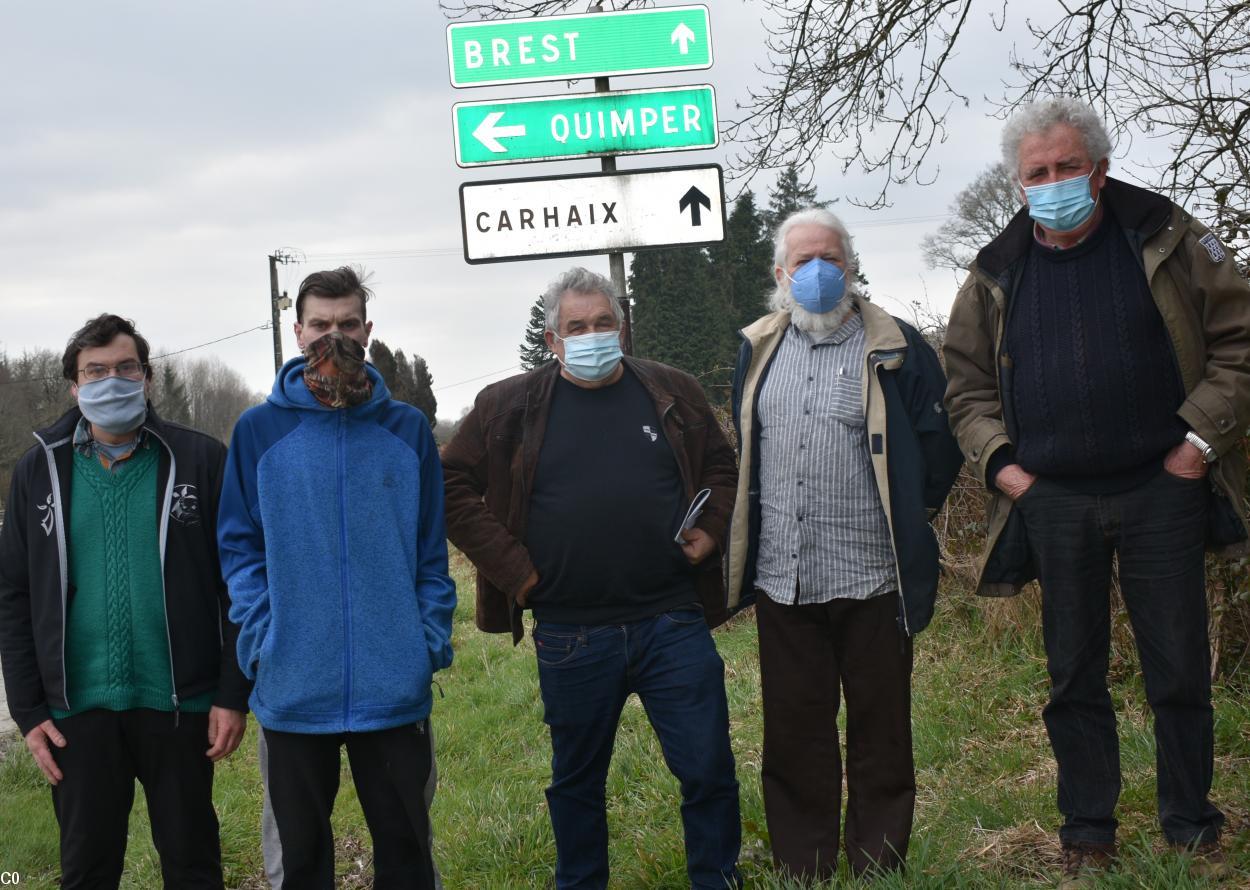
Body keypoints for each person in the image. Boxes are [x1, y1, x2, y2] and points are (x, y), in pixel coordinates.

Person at [942, 97, 1250, 885]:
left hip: (1162, 485)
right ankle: (1087, 831)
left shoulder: (1169, 239)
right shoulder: (995, 272)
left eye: (1068, 167)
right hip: (1054, 499)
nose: (1053, 184)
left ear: (1101, 170)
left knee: (1178, 668)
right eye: (1037, 173)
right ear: (1019, 183)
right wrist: (1005, 469)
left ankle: (1191, 825)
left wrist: (1197, 445)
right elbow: (964, 388)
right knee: (1072, 676)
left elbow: (1239, 342)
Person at [442, 267, 741, 890]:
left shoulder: (674, 391)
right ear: (552, 340)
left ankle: (717, 879)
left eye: (604, 323)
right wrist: (515, 572)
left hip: (671, 619)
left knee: (708, 768)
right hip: (571, 632)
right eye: (576, 327)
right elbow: (449, 484)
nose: (592, 335)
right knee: (577, 783)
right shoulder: (508, 406)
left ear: (622, 330)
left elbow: (721, 464)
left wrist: (711, 529)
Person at [724, 209, 963, 881]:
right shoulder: (757, 348)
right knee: (794, 730)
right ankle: (804, 864)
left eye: (830, 257)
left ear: (851, 266)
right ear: (780, 273)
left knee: (880, 730)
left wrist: (910, 513)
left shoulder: (897, 347)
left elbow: (939, 445)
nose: (818, 271)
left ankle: (878, 860)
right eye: (803, 261)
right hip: (785, 578)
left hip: (873, 575)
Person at [217, 266, 455, 890]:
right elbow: (238, 549)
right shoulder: (258, 431)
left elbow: (431, 553)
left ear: (367, 330)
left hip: (394, 686)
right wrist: (263, 641)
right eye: (319, 324)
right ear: (297, 332)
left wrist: (425, 642)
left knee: (407, 858)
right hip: (293, 686)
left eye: (347, 323)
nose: (334, 336)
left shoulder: (407, 429)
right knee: (301, 864)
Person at [0, 314, 249, 889]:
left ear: (147, 377)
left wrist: (232, 693)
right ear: (74, 385)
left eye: (125, 367)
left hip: (181, 706)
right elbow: (13, 595)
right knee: (87, 871)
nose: (112, 380)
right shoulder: (38, 469)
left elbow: (236, 584)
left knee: (193, 866)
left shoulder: (199, 459)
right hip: (75, 714)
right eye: (96, 371)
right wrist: (29, 713)